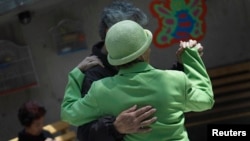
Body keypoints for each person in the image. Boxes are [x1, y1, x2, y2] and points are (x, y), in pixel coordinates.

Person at [61, 20, 214, 141]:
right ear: (144, 51)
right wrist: (191, 59)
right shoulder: (175, 80)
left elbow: (69, 114)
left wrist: (76, 74)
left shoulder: (100, 91)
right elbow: (205, 100)